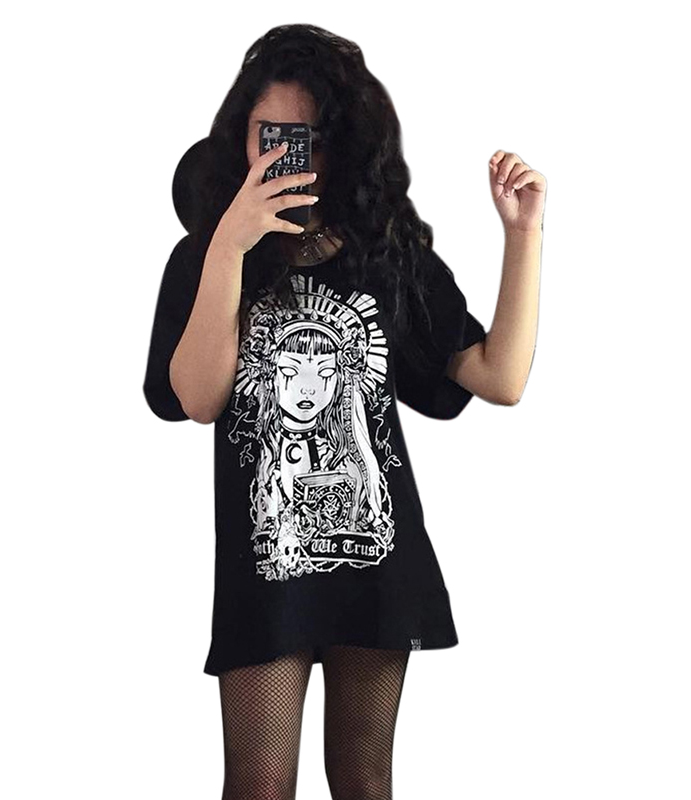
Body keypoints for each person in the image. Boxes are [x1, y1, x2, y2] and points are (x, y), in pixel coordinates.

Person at [143, 23, 545, 800]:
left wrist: (523, 235)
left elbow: (499, 377)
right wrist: (228, 247)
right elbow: (197, 398)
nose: (287, 157)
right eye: (271, 135)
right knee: (259, 784)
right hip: (267, 564)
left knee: (364, 780)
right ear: (240, 133)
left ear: (342, 145)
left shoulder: (385, 254)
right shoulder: (204, 257)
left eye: (310, 139)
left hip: (376, 558)